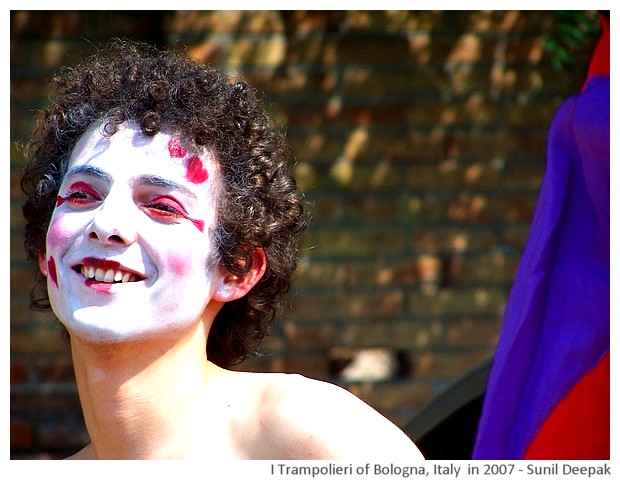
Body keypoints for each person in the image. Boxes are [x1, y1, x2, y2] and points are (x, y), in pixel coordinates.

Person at [20, 38, 424, 460]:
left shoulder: (314, 436)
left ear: (236, 269)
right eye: (83, 195)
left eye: (162, 206)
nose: (105, 224)